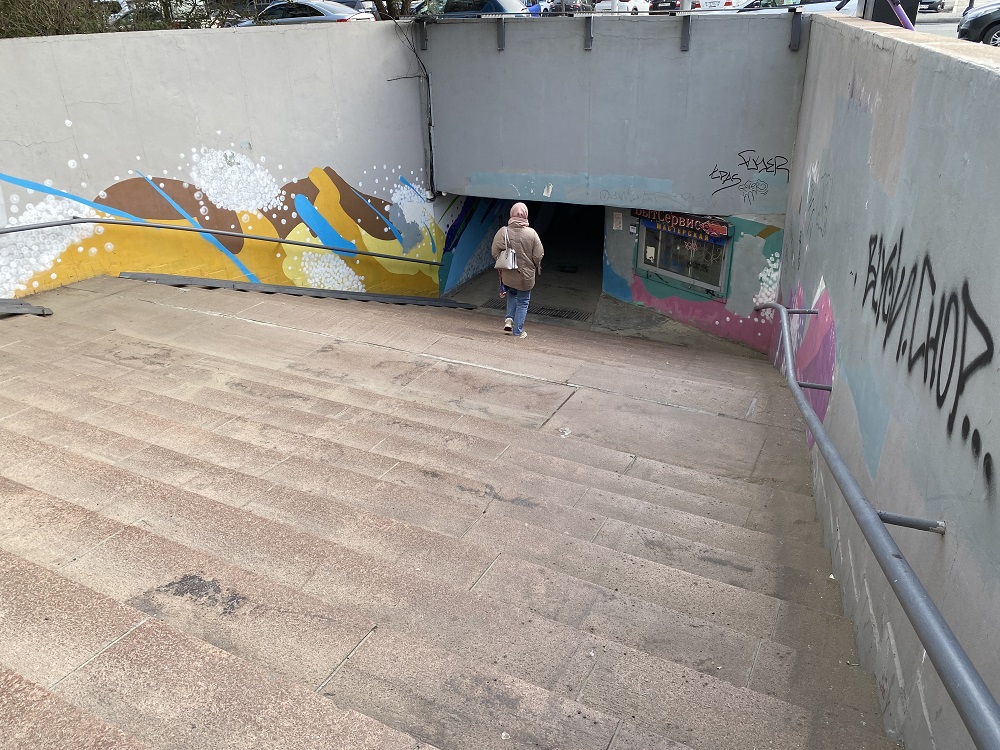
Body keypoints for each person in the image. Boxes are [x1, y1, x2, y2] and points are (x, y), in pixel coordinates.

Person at [491, 202, 544, 339]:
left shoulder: (503, 232)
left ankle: (509, 319)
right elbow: (538, 255)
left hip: (509, 274)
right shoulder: (532, 234)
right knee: (523, 301)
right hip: (526, 275)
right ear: (525, 215)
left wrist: (504, 262)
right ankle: (518, 332)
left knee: (512, 293)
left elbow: (494, 252)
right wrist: (534, 265)